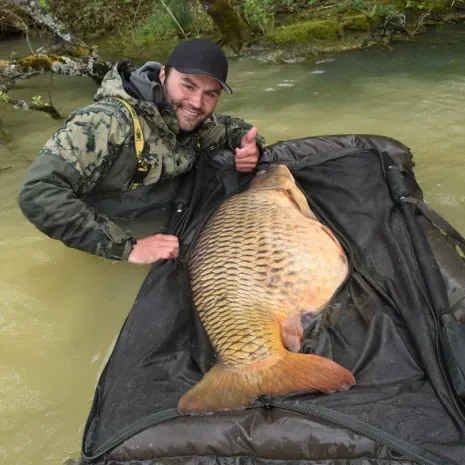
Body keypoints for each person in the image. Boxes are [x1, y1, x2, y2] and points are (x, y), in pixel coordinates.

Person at [18, 39, 266, 265]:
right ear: (163, 74)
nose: (197, 103)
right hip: (109, 245)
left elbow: (228, 127)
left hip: (164, 225)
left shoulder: (192, 120)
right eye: (188, 86)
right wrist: (128, 248)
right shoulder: (105, 122)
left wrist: (247, 146)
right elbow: (38, 192)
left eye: (210, 94)